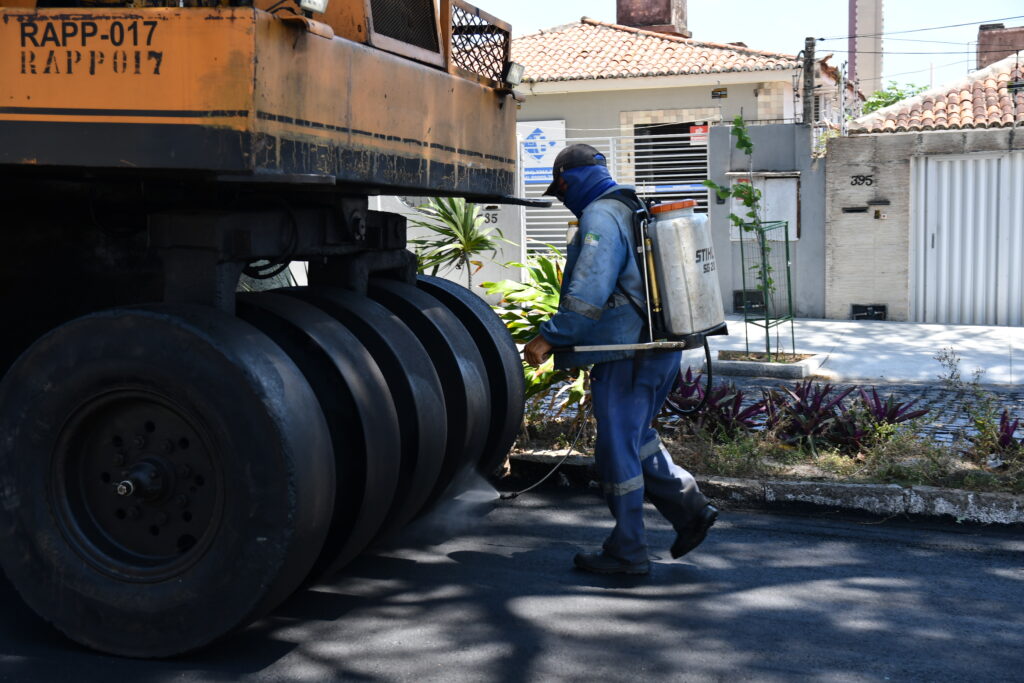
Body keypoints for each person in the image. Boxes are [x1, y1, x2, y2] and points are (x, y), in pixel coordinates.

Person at [523, 144, 718, 576]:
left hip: (627, 354)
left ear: (569, 181)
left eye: (560, 191)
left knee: (616, 450)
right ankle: (690, 510)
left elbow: (589, 290)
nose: (562, 199)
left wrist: (550, 337)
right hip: (661, 348)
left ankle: (628, 549)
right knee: (636, 437)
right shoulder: (636, 205)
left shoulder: (599, 216)